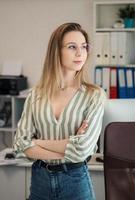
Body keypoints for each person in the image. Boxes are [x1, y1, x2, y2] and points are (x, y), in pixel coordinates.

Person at [13, 22, 106, 200]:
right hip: (40, 180)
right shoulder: (36, 95)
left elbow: (82, 149)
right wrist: (69, 145)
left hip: (75, 181)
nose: (80, 53)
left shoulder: (94, 95)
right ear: (56, 51)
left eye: (84, 47)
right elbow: (20, 144)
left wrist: (38, 142)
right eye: (72, 47)